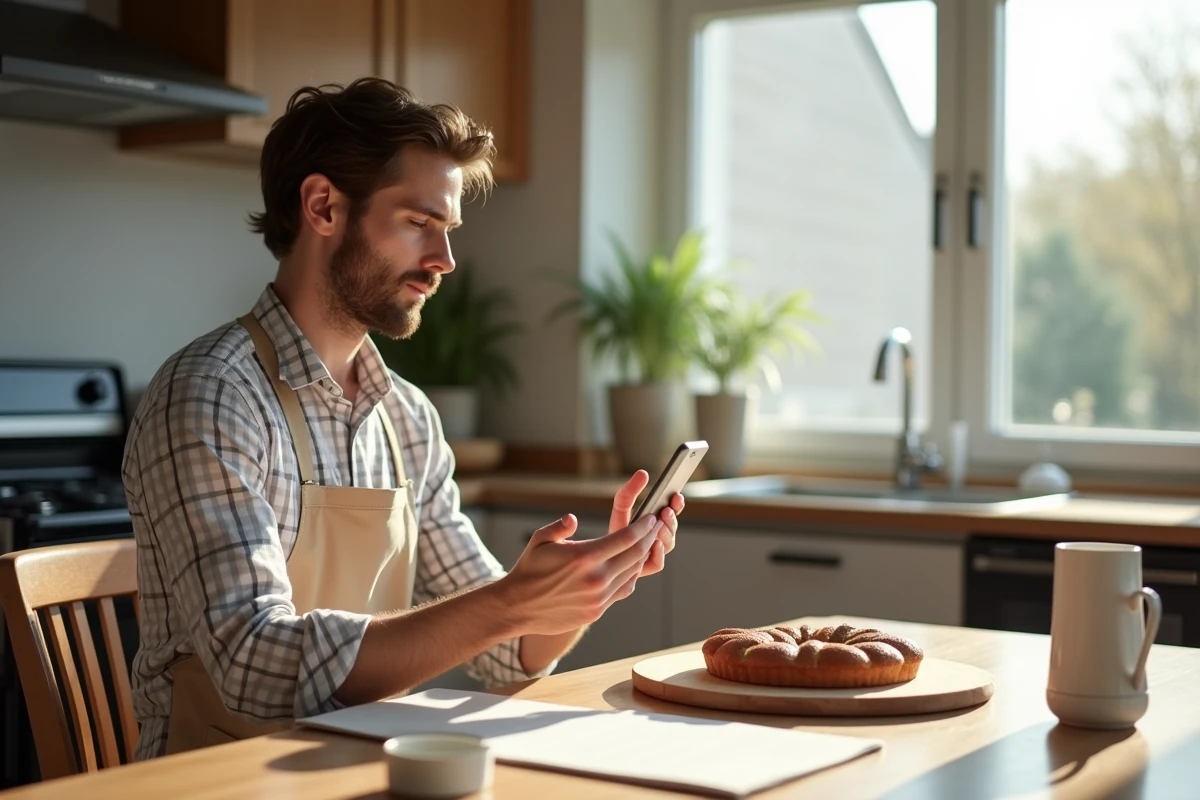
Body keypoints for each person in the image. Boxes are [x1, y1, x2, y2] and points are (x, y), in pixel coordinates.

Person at [120, 77, 684, 760]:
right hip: (215, 781)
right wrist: (509, 600)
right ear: (324, 207)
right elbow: (252, 665)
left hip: (355, 769)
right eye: (419, 224)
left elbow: (506, 655)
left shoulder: (406, 417)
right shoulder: (212, 395)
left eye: (446, 231)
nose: (444, 262)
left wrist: (586, 584)